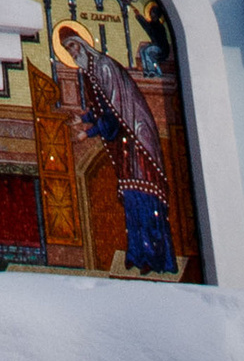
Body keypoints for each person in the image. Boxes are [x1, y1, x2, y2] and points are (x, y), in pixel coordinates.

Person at [54, 17, 179, 277]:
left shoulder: (104, 67)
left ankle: (156, 257)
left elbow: (114, 113)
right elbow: (102, 107)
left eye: (74, 47)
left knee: (144, 196)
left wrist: (89, 132)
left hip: (136, 139)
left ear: (83, 44)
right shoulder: (91, 72)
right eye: (68, 50)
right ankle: (137, 253)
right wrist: (84, 118)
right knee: (132, 198)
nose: (72, 53)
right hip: (124, 142)